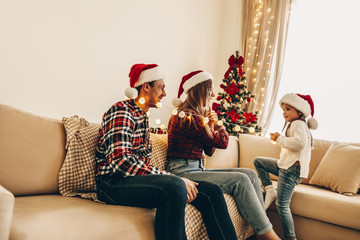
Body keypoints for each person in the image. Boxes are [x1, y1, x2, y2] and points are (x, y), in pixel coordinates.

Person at [95, 64, 238, 240]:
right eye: (161, 87)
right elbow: (122, 161)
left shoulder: (142, 116)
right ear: (146, 86)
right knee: (175, 186)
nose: (164, 93)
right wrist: (173, 177)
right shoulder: (122, 111)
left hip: (135, 179)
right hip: (112, 183)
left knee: (212, 192)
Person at [167, 70, 281, 240]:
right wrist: (218, 125)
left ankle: (259, 227)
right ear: (199, 90)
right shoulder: (187, 117)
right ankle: (266, 233)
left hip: (196, 168)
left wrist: (211, 124)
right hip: (182, 171)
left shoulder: (197, 117)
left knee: (249, 173)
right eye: (210, 89)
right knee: (239, 180)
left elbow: (209, 150)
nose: (213, 94)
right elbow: (222, 143)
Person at [254, 93, 318, 240]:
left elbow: (299, 143)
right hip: (285, 166)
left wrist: (279, 138)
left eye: (288, 109)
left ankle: (291, 238)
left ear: (300, 111)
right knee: (259, 162)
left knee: (282, 206)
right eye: (283, 109)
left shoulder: (299, 124)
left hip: (291, 170)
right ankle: (270, 190)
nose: (284, 112)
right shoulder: (294, 124)